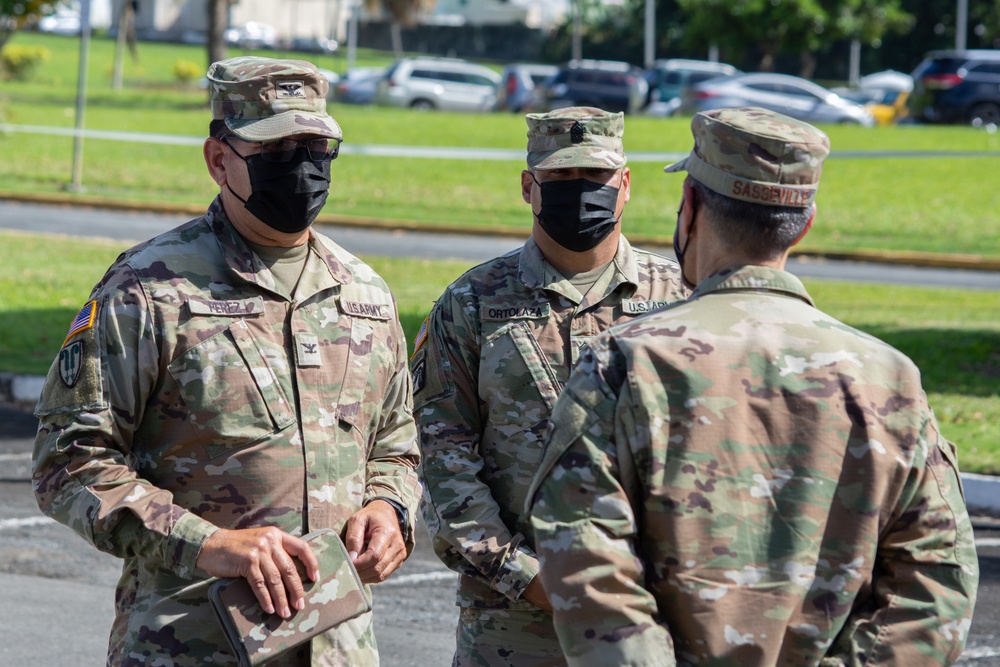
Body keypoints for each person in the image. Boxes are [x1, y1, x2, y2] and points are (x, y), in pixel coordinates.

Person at [527, 106, 979, 667]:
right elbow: (937, 580)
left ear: (689, 207)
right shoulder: (890, 377)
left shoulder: (623, 364)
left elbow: (586, 562)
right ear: (804, 224)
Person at [31, 56, 420, 667]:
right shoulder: (148, 288)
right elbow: (69, 461)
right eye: (275, 149)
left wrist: (389, 507)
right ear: (219, 160)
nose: (302, 167)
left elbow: (396, 443)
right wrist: (207, 543)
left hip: (339, 647)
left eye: (317, 146)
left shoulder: (364, 293)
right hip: (189, 643)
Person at [411, 106, 688, 666]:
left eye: (596, 178)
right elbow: (440, 458)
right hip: (511, 624)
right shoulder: (471, 304)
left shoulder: (684, 301)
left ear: (626, 185)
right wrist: (524, 576)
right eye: (560, 179)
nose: (580, 192)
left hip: (649, 618)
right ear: (527, 187)